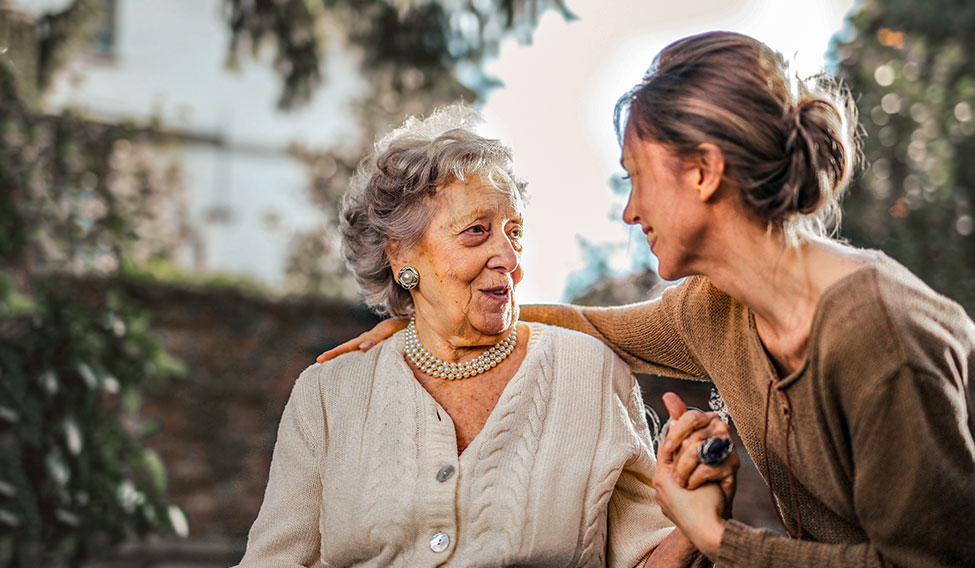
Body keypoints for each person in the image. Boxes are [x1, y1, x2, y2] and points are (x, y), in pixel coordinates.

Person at [317, 32, 975, 567]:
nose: (629, 211)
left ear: (703, 170)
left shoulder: (878, 334)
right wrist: (432, 323)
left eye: (635, 178)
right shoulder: (716, 310)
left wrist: (717, 538)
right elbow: (586, 326)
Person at [235, 105, 737, 567]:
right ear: (401, 254)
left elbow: (646, 558)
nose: (511, 259)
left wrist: (694, 527)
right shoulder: (328, 394)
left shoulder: (592, 373)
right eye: (477, 230)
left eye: (514, 232)